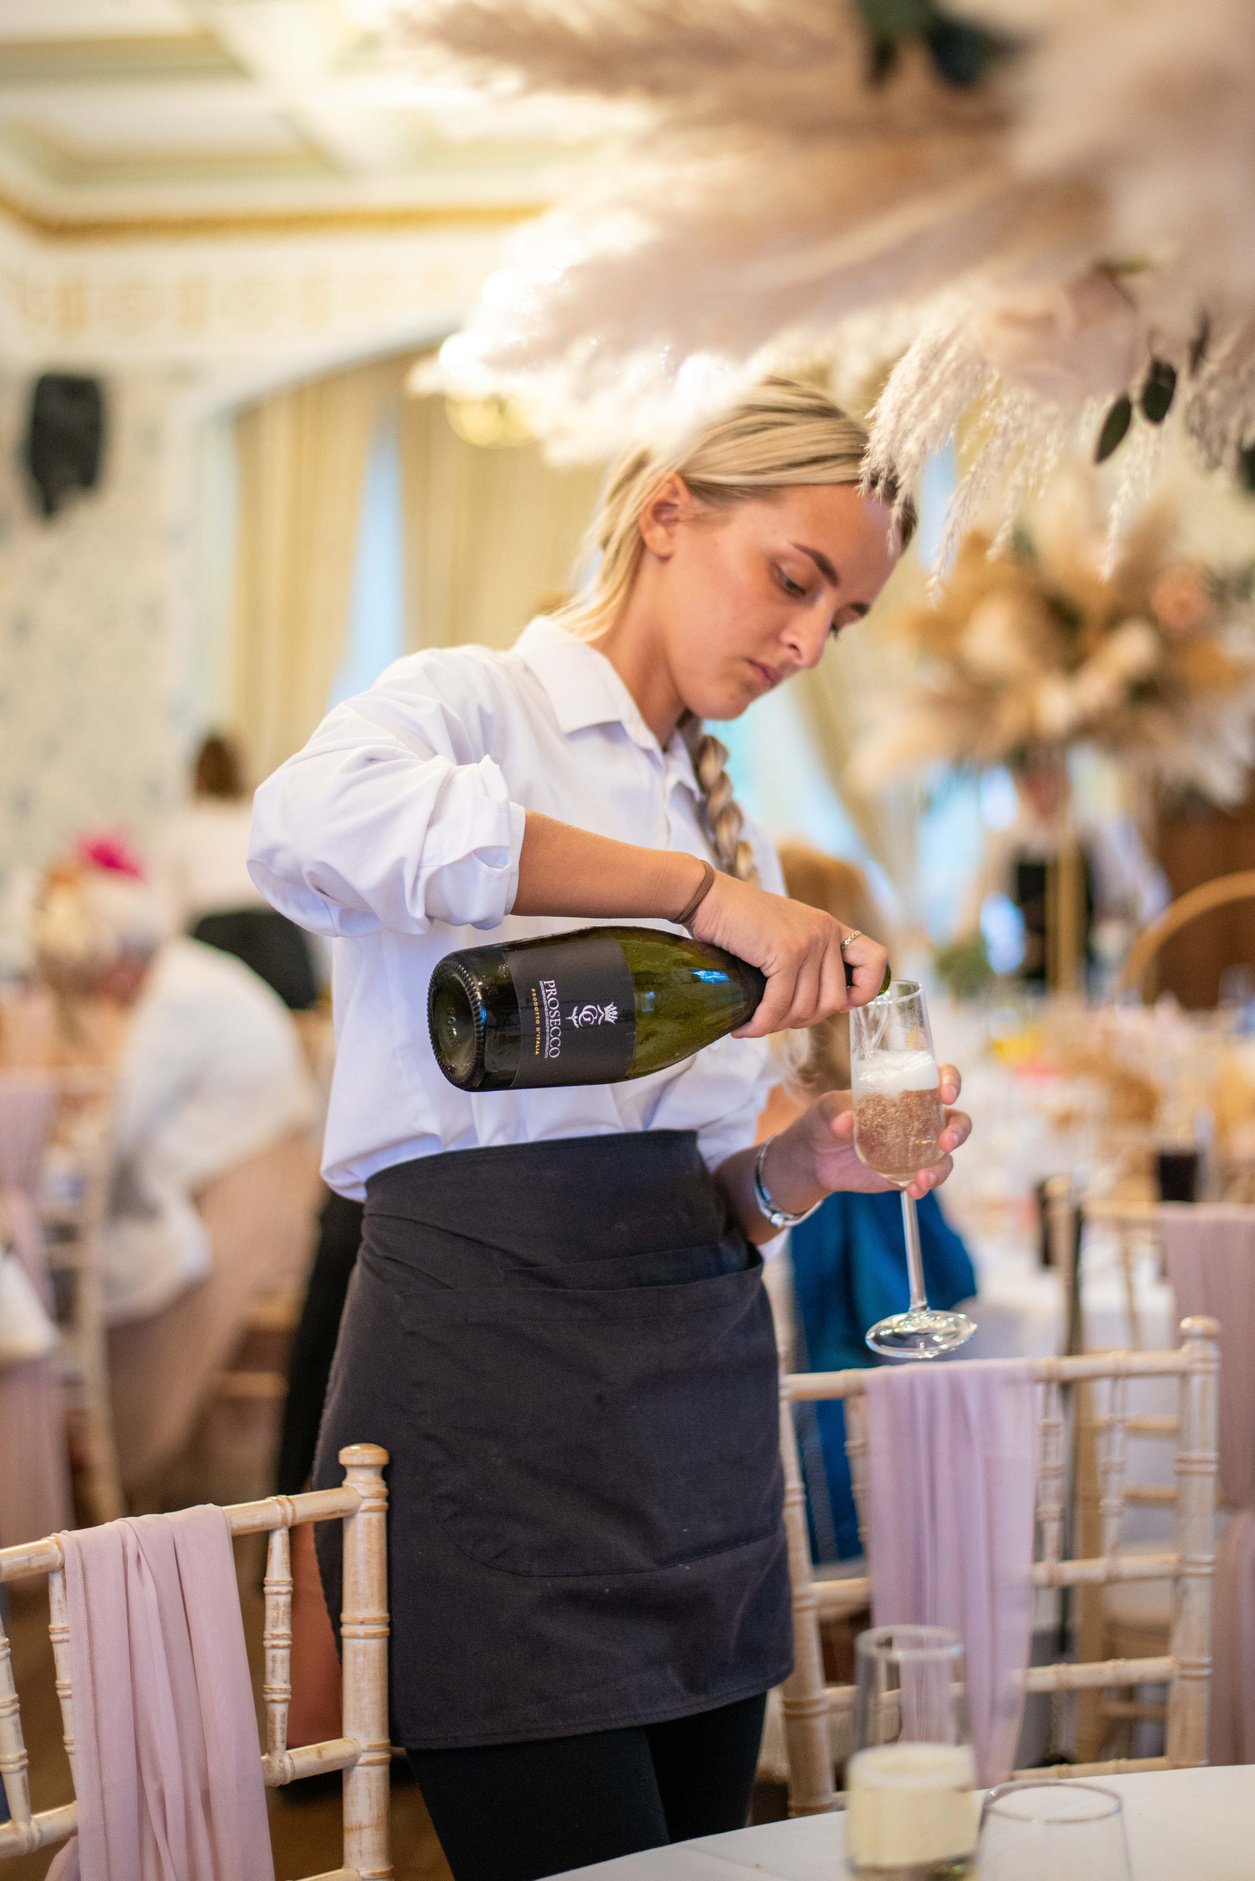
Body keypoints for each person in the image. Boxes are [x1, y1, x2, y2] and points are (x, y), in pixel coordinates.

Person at [248, 378, 972, 1881]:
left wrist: (801, 1167)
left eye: (839, 619)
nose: (801, 643)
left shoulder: (732, 819)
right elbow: (298, 826)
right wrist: (688, 894)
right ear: (665, 515)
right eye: (793, 580)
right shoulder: (466, 707)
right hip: (486, 1412)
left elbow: (719, 1196)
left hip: (693, 1432)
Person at [761, 843, 977, 1560]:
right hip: (855, 1469)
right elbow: (955, 1281)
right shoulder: (843, 1129)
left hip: (764, 1470)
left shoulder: (735, 1115)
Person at [964, 748, 1169, 987]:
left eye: (1050, 778)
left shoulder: (1091, 835)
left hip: (1086, 974)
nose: (1043, 789)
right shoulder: (1011, 842)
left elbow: (1142, 892)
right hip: (1034, 977)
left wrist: (1120, 936)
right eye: (1034, 781)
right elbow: (976, 902)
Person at [162, 731, 321, 1010]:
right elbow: (300, 893)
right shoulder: (264, 816)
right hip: (279, 936)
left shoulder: (184, 827)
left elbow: (171, 911)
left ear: (195, 776)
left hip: (216, 936)